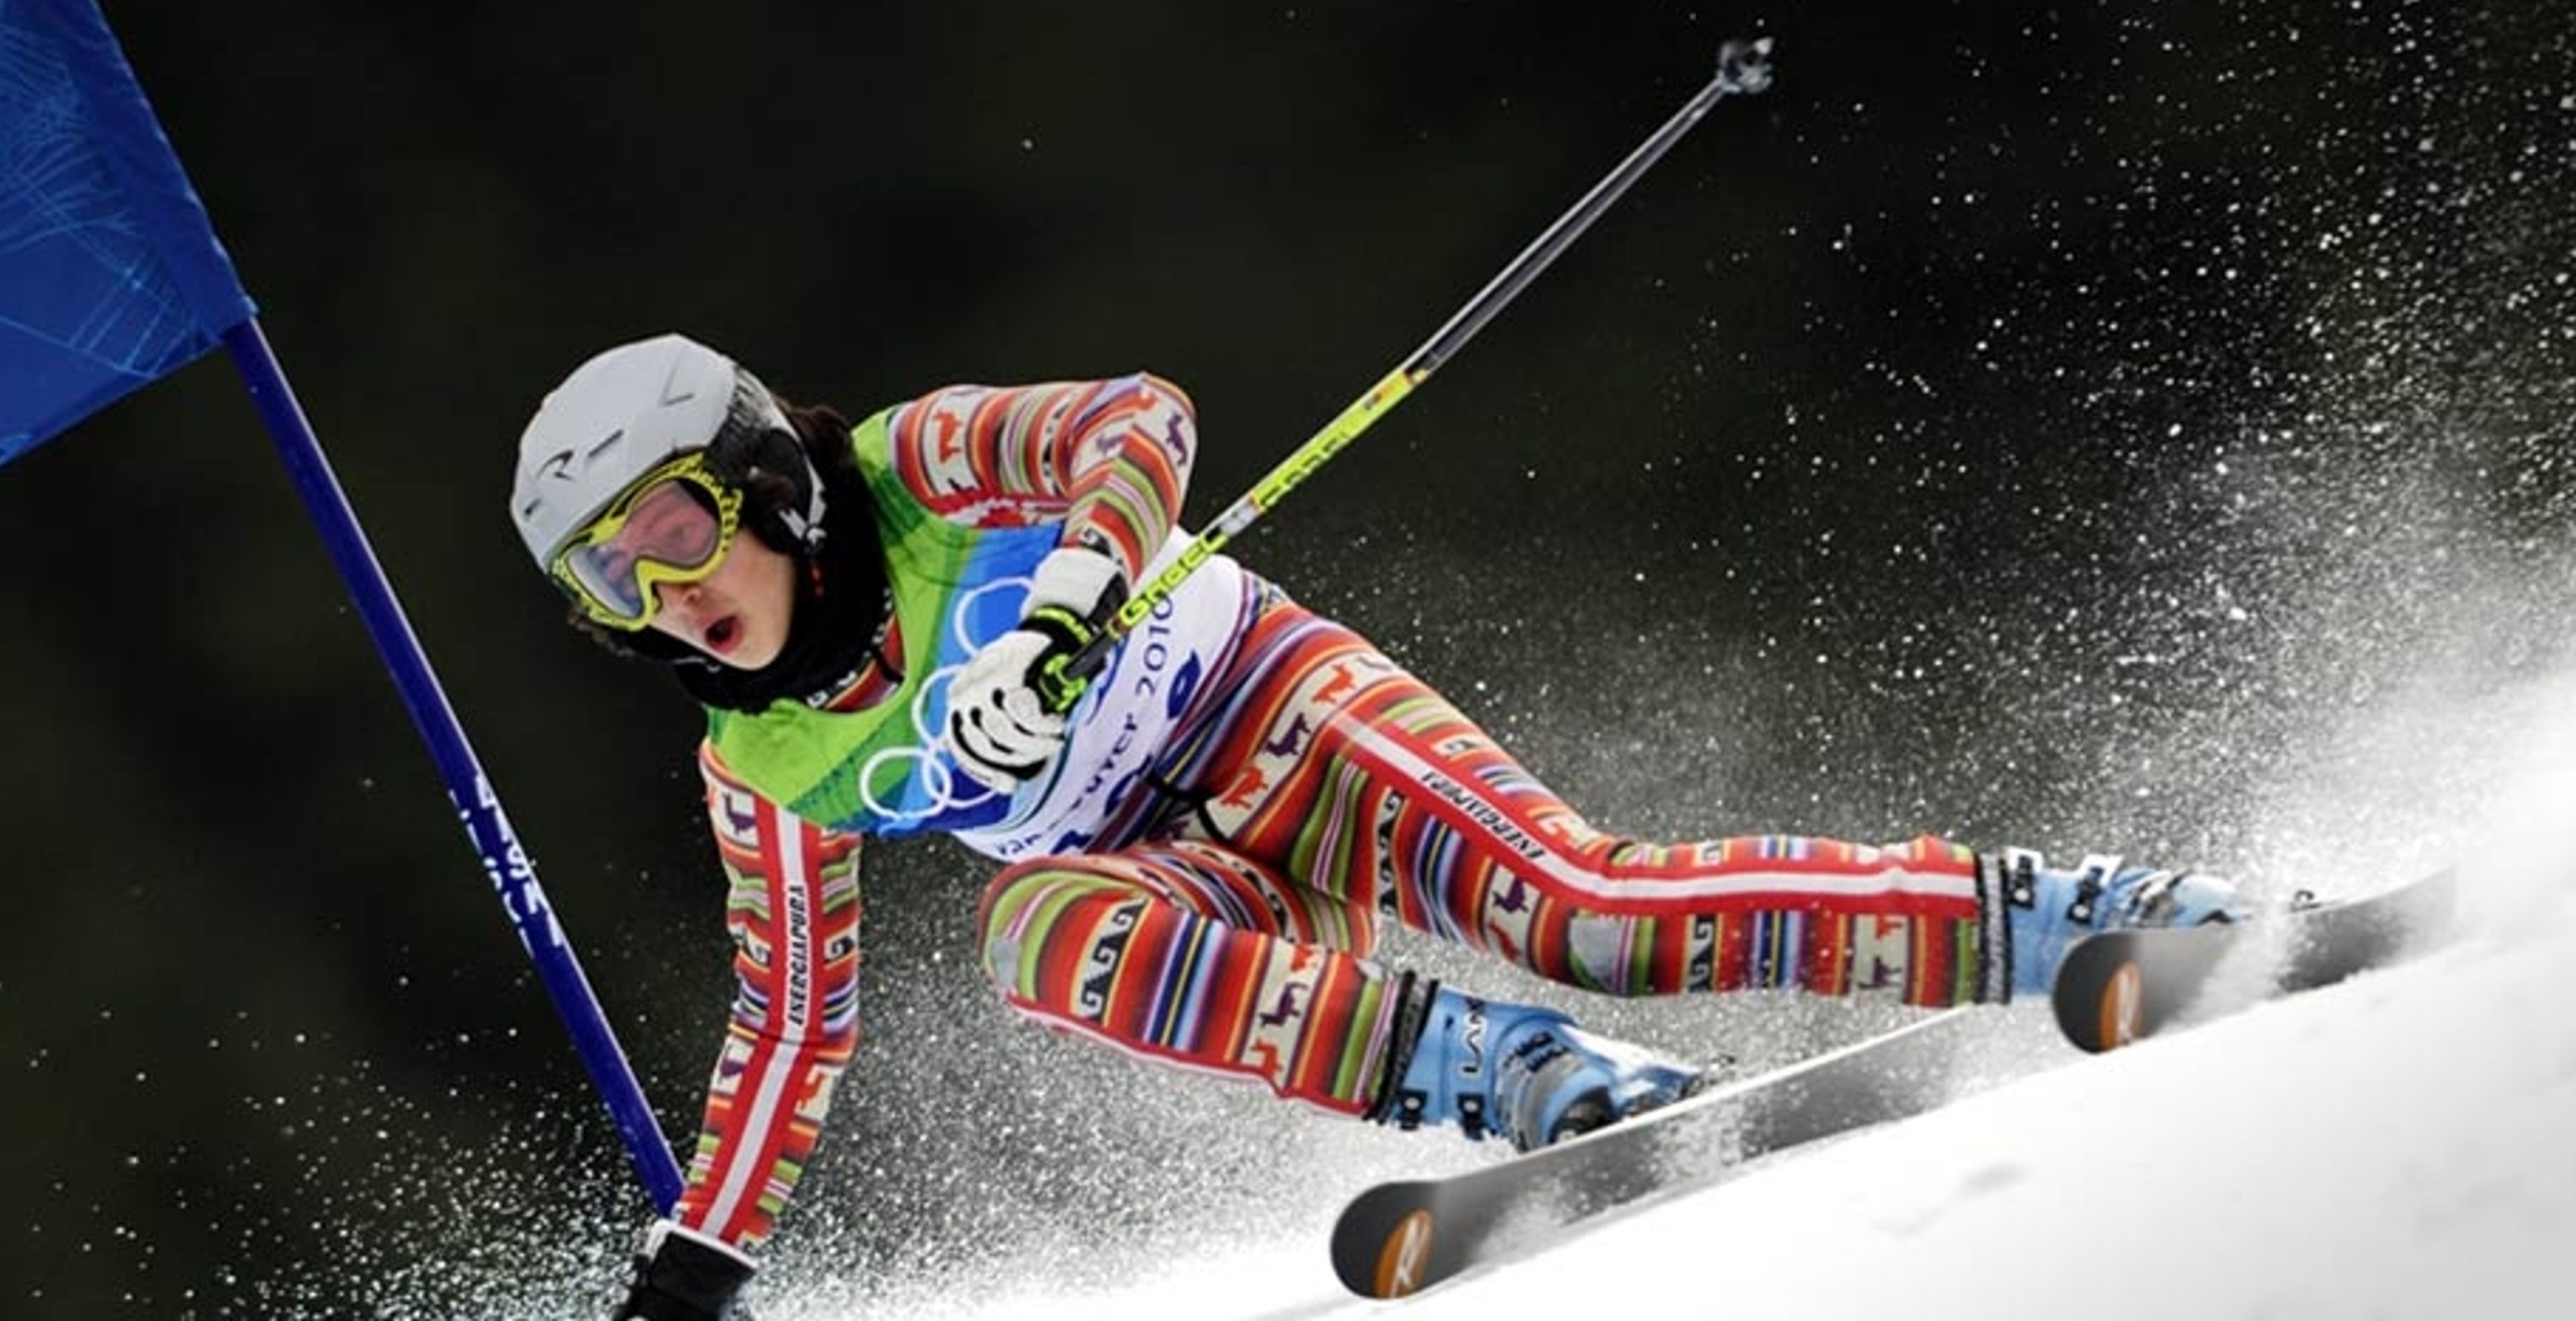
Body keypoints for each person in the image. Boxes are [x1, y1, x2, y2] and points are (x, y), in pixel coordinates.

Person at [508, 333, 2242, 1320]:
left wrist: (1068, 604)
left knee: (1591, 912)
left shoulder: (911, 465)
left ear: (766, 475)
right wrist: (697, 1274)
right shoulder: (764, 761)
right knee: (1036, 933)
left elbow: (1137, 418)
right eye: (608, 577)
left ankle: (2084, 909)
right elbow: (794, 1023)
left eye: (669, 527)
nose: (660, 592)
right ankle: (1552, 1094)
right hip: (1179, 868)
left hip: (1281, 722)